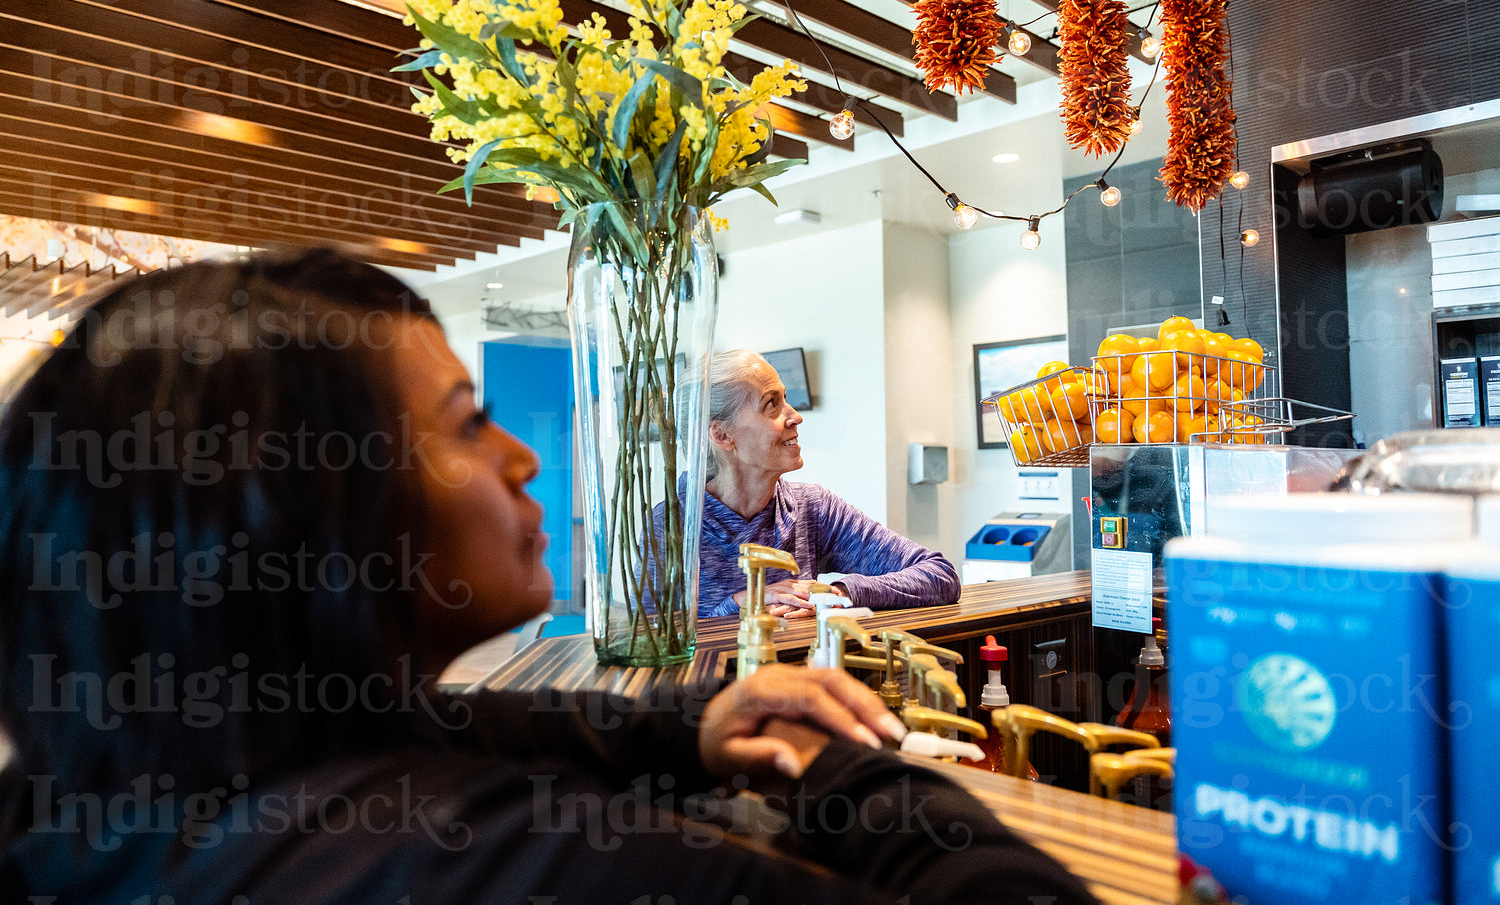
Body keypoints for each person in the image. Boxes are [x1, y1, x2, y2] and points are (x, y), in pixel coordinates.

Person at [0, 249, 1094, 905]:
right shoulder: (488, 859)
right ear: (313, 511)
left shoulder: (162, 787)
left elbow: (460, 725)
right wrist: (845, 765)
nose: (522, 458)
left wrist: (696, 721)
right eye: (467, 424)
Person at [695, 350, 960, 618]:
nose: (796, 416)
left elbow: (939, 575)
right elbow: (657, 646)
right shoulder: (665, 531)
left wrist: (837, 594)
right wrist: (739, 605)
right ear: (721, 434)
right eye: (771, 404)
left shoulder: (812, 507)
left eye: (785, 399)